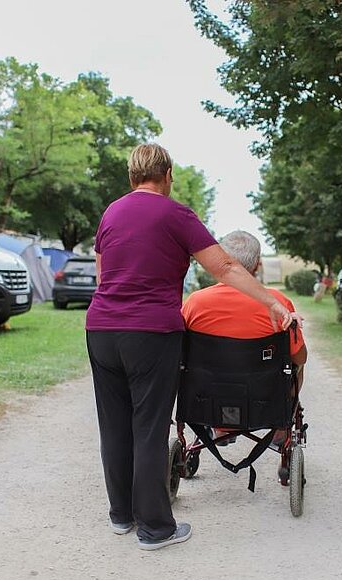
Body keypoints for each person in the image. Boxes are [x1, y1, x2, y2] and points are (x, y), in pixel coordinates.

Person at [85, 144, 298, 551]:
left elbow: (102, 274)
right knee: (148, 428)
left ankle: (121, 515)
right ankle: (155, 529)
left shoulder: (110, 213)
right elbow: (225, 266)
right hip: (150, 333)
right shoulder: (175, 213)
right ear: (166, 176)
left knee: (114, 425)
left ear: (132, 178)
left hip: (101, 328)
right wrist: (269, 300)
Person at [182, 231, 307, 447]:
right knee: (297, 366)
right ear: (257, 266)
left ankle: (221, 428)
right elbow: (299, 356)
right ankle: (279, 429)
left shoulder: (195, 302)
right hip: (263, 396)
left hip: (209, 395)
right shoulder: (276, 302)